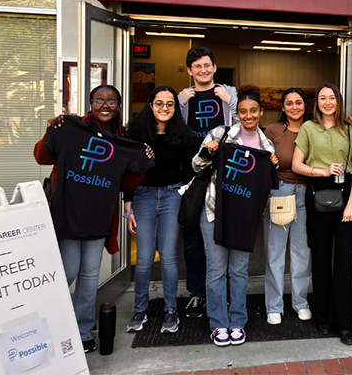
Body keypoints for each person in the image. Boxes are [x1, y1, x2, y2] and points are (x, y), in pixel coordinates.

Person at [34, 85, 153, 353]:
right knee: (66, 272)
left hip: (98, 218)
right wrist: (52, 129)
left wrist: (144, 162)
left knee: (89, 276)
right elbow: (42, 156)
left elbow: (125, 183)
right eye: (99, 100)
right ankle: (47, 328)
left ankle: (82, 331)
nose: (105, 105)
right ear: (90, 103)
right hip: (67, 213)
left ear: (119, 106)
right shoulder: (71, 127)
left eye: (111, 101)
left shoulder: (124, 140)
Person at [192, 85, 278, 347]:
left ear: (261, 112)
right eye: (243, 111)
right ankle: (218, 323)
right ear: (237, 113)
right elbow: (196, 165)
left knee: (239, 271)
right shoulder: (221, 133)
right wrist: (209, 150)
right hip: (214, 212)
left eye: (253, 111)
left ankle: (238, 321)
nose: (248, 116)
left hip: (244, 217)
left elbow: (267, 186)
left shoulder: (267, 145)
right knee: (216, 270)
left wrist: (272, 166)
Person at [291, 83, 352, 346]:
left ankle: (344, 322)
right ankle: (321, 316)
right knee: (320, 257)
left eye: (332, 97)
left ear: (338, 101)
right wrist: (321, 171)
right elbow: (296, 163)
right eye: (323, 98)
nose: (327, 102)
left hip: (346, 197)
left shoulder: (349, 128)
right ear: (317, 103)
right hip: (318, 195)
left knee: (344, 259)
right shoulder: (309, 128)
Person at [124, 86, 197, 334]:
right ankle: (140, 309)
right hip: (143, 196)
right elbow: (128, 172)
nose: (164, 108)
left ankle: (170, 310)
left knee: (168, 257)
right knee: (144, 258)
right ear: (150, 105)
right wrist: (128, 207)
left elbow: (190, 173)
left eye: (169, 104)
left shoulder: (183, 135)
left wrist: (185, 195)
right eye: (159, 103)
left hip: (172, 196)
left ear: (175, 108)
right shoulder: (135, 132)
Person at [178, 46, 238, 318]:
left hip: (225, 175)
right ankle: (198, 294)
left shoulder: (229, 93)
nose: (202, 70)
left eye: (207, 65)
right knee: (193, 237)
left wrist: (230, 102)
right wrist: (179, 105)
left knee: (225, 234)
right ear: (190, 70)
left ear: (214, 67)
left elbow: (244, 126)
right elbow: (173, 133)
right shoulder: (183, 98)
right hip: (193, 174)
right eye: (196, 66)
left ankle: (221, 293)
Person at [262, 88, 313, 325]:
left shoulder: (314, 128)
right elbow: (257, 157)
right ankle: (274, 306)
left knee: (302, 253)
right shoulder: (273, 130)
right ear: (282, 107)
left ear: (305, 105)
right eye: (289, 103)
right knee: (275, 252)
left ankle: (300, 302)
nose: (294, 107)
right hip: (279, 193)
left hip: (307, 195)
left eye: (299, 102)